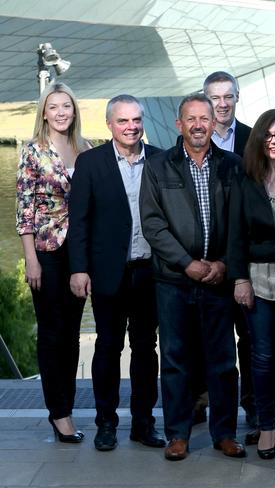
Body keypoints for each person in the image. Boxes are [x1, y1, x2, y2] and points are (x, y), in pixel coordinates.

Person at [140, 94, 245, 461]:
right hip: (174, 280)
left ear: (214, 123)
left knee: (222, 361)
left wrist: (224, 264)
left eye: (205, 117)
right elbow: (153, 225)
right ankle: (178, 434)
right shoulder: (158, 166)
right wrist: (187, 263)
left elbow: (240, 223)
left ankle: (225, 433)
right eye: (191, 118)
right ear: (179, 124)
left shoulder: (233, 165)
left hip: (218, 279)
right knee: (175, 359)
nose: (199, 124)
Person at [67, 94, 165, 451]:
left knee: (145, 348)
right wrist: (79, 270)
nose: (131, 127)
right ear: (110, 124)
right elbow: (78, 222)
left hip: (149, 271)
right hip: (108, 272)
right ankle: (106, 423)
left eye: (136, 120)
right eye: (123, 121)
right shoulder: (91, 163)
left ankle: (143, 423)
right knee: (108, 347)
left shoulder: (158, 159)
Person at [15, 82, 89, 443]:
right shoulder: (33, 152)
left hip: (78, 250)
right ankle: (57, 414)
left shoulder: (84, 148)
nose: (62, 112)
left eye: (67, 107)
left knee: (72, 334)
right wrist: (31, 259)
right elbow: (24, 210)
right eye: (55, 107)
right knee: (52, 332)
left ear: (74, 111)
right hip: (46, 251)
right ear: (44, 112)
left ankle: (68, 408)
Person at [227, 109, 275, 460]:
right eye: (269, 134)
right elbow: (236, 236)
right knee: (262, 358)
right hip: (258, 280)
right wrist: (239, 278)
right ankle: (268, 427)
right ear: (259, 138)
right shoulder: (247, 180)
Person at [200, 70, 256, 430]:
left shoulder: (254, 140)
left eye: (227, 97)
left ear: (237, 98)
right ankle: (202, 402)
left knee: (250, 340)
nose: (221, 104)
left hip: (244, 261)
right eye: (214, 98)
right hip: (203, 261)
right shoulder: (192, 138)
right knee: (204, 339)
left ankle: (253, 407)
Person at [203, 71, 252, 157]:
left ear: (237, 96)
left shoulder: (253, 137)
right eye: (215, 98)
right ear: (205, 101)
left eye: (228, 97)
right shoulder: (194, 139)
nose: (223, 104)